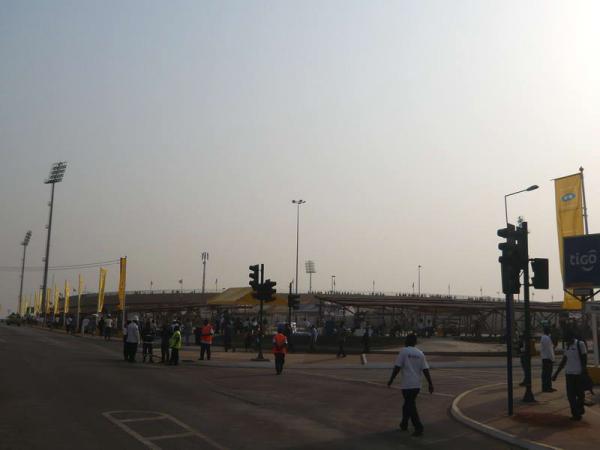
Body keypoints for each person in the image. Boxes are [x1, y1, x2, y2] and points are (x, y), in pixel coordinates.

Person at [387, 334, 434, 437]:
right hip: (417, 385)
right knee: (407, 404)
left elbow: (397, 367)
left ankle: (418, 427)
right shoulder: (420, 353)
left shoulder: (404, 351)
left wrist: (391, 379)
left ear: (407, 341)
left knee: (410, 405)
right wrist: (430, 384)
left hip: (407, 385)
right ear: (415, 342)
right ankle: (404, 424)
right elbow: (425, 369)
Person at [553, 331, 588, 420]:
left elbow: (584, 359)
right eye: (566, 340)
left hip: (578, 374)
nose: (567, 342)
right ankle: (576, 414)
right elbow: (564, 360)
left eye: (568, 340)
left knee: (580, 395)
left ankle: (579, 408)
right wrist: (556, 374)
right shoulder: (567, 346)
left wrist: (583, 372)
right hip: (569, 374)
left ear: (572, 337)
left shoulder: (580, 344)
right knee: (570, 396)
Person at [540, 326, 556, 392]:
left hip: (544, 357)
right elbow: (550, 350)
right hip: (548, 358)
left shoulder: (543, 338)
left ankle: (545, 387)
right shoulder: (547, 338)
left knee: (545, 373)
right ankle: (547, 387)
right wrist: (552, 358)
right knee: (548, 374)